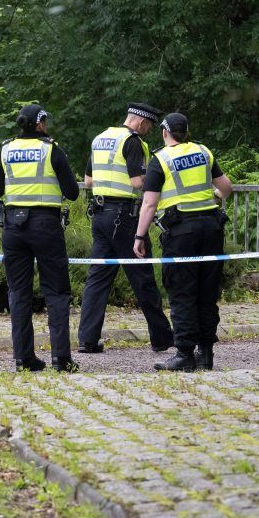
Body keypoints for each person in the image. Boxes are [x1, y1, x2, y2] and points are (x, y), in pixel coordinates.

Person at [133, 112, 232, 372]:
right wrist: (213, 194)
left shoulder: (160, 159)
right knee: (207, 293)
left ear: (165, 132)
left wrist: (140, 236)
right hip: (211, 230)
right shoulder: (203, 152)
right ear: (186, 132)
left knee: (182, 293)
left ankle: (184, 354)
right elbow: (226, 187)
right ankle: (206, 353)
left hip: (181, 234)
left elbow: (150, 203)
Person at [0, 104, 81, 372]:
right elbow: (72, 192)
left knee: (18, 292)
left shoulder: (5, 150)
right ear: (40, 123)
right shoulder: (51, 150)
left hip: (13, 229)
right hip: (46, 226)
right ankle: (61, 359)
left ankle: (23, 359)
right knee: (57, 292)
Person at [78, 103, 174, 354]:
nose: (149, 131)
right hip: (125, 217)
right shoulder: (132, 141)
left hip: (99, 215)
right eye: (149, 127)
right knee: (143, 277)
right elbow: (137, 181)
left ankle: (87, 340)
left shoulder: (101, 138)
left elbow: (88, 181)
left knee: (97, 279)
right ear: (142, 123)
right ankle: (162, 337)